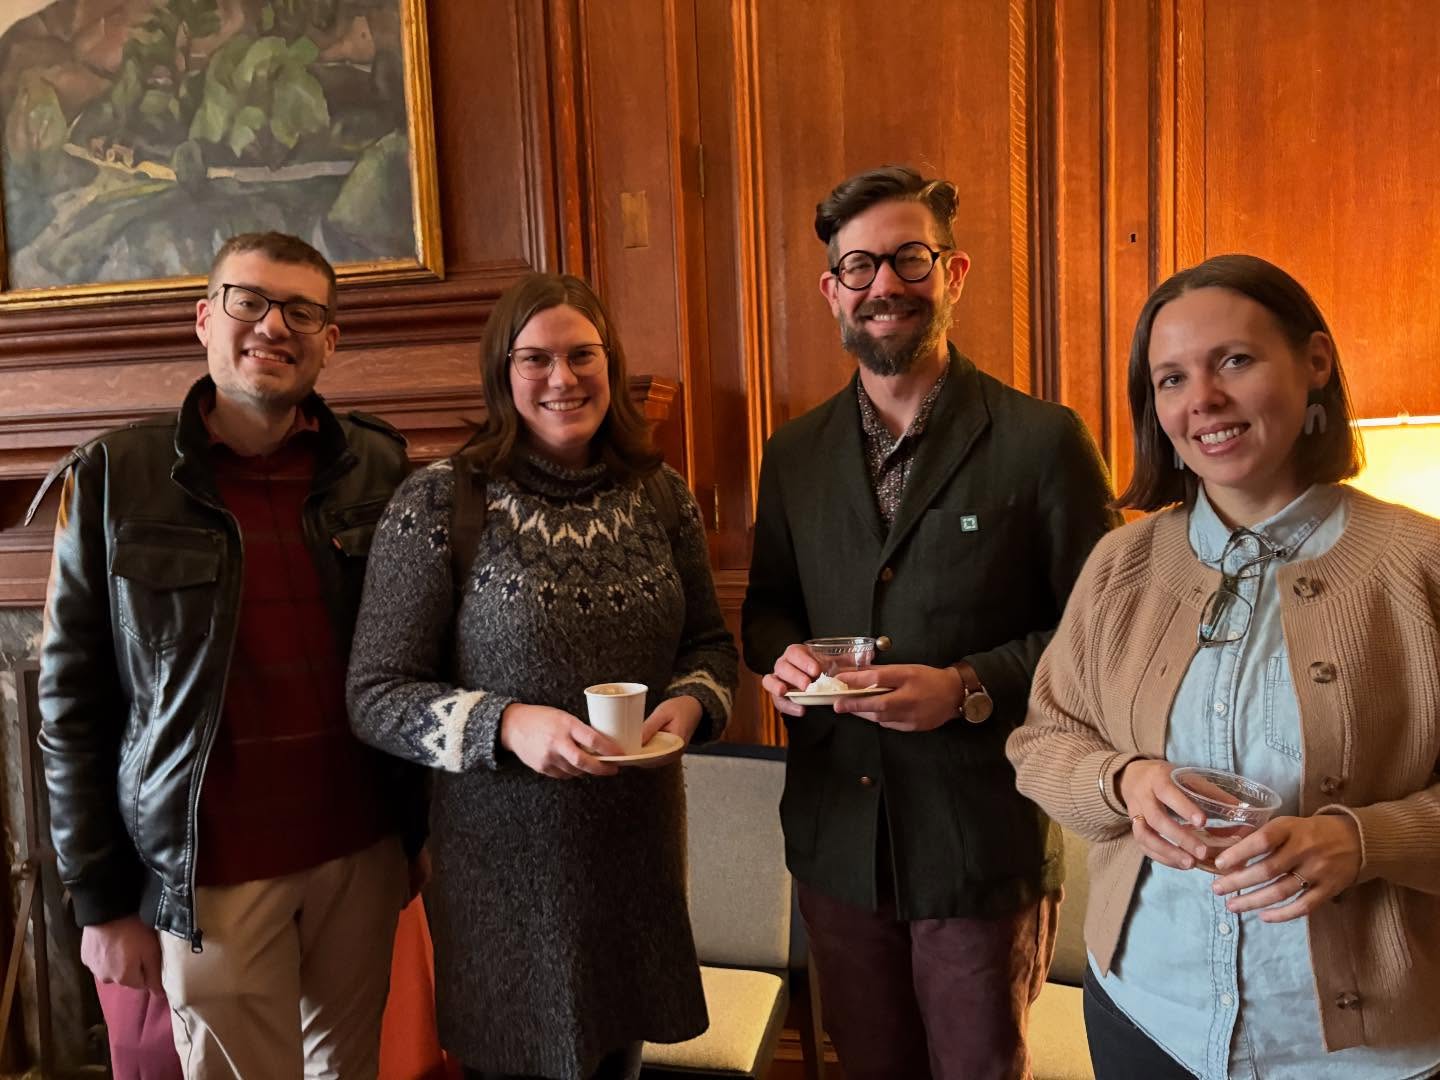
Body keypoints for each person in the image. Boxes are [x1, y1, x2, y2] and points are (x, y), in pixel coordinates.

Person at [1007, 254, 1440, 1079]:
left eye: (1234, 361)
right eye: (1171, 379)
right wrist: (1124, 780)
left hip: (1365, 1054)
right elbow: (1043, 742)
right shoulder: (1122, 564)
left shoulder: (1422, 565)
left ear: (1315, 362)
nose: (1201, 399)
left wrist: (1364, 841)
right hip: (1145, 1012)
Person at [740, 164, 1118, 1079]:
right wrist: (781, 662)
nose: (885, 285)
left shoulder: (1044, 441)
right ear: (832, 289)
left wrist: (966, 687)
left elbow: (1102, 639)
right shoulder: (793, 454)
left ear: (953, 273)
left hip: (977, 843)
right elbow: (767, 610)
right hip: (837, 842)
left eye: (909, 258)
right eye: (859, 266)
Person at [35, 232, 428, 1079]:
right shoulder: (114, 476)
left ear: (330, 339)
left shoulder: (379, 466)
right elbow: (71, 704)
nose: (273, 326)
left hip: (361, 856)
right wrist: (98, 901)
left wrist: (423, 831)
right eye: (249, 302)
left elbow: (420, 658)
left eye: (302, 311)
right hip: (211, 873)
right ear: (205, 319)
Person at [347, 271, 738, 1080]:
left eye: (582, 355)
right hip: (505, 888)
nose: (563, 378)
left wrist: (693, 705)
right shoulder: (439, 504)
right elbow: (376, 695)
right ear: (503, 373)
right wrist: (506, 723)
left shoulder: (661, 496)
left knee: (619, 1064)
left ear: (610, 364)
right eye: (536, 359)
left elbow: (708, 646)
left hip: (635, 865)